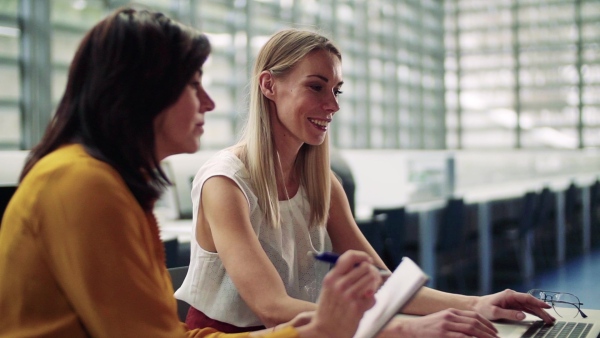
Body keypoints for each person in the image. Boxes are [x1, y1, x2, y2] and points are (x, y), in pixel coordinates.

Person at [0, 8, 382, 338]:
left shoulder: (106, 183)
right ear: (145, 91)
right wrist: (332, 329)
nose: (209, 102)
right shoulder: (82, 186)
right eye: (194, 85)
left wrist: (324, 329)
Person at [176, 28, 557, 337]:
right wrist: (409, 328)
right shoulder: (225, 182)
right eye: (316, 87)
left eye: (336, 90)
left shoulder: (323, 183)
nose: (333, 105)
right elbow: (272, 307)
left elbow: (381, 283)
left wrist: (476, 303)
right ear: (269, 86)